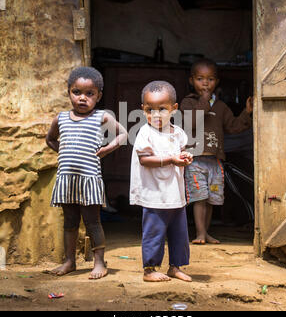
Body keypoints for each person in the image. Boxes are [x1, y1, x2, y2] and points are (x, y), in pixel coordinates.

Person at [46, 66, 127, 279]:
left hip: (89, 180)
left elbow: (124, 135)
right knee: (70, 222)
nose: (83, 98)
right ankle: (69, 261)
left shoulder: (101, 117)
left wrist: (107, 149)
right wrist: (63, 152)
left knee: (93, 222)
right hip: (67, 180)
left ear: (98, 96)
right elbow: (50, 140)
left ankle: (99, 262)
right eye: (77, 92)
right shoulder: (61, 119)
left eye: (89, 94)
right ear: (69, 92)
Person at [180, 58, 253, 245]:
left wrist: (246, 112)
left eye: (210, 79)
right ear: (191, 81)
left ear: (217, 82)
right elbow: (191, 123)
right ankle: (199, 233)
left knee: (211, 198)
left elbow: (234, 127)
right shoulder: (187, 103)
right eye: (200, 79)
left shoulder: (221, 107)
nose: (205, 83)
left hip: (215, 161)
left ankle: (206, 231)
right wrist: (204, 102)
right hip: (195, 160)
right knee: (199, 197)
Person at [130, 81, 193, 282]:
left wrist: (184, 157)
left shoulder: (178, 133)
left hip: (175, 193)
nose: (156, 115)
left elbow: (180, 153)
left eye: (162, 109)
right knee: (154, 233)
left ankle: (176, 266)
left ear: (174, 109)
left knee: (179, 234)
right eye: (150, 110)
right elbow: (144, 160)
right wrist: (171, 160)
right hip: (154, 194)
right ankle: (149, 269)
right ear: (143, 110)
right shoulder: (145, 133)